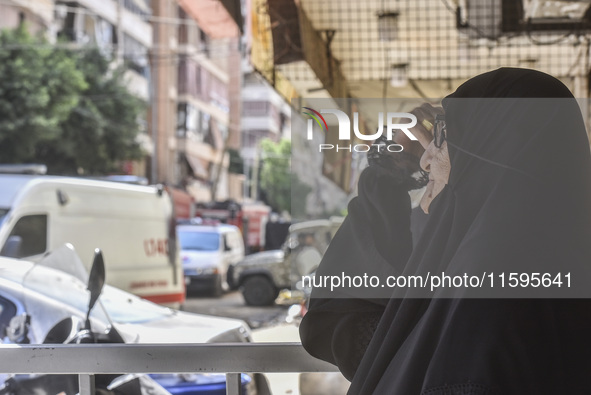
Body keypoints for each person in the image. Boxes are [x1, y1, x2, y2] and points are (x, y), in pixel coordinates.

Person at [299, 68, 591, 394]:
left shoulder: (490, 301)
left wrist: (393, 170)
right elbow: (358, 330)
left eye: (442, 137)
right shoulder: (521, 276)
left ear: (489, 150)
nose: (425, 162)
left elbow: (341, 324)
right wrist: (395, 166)